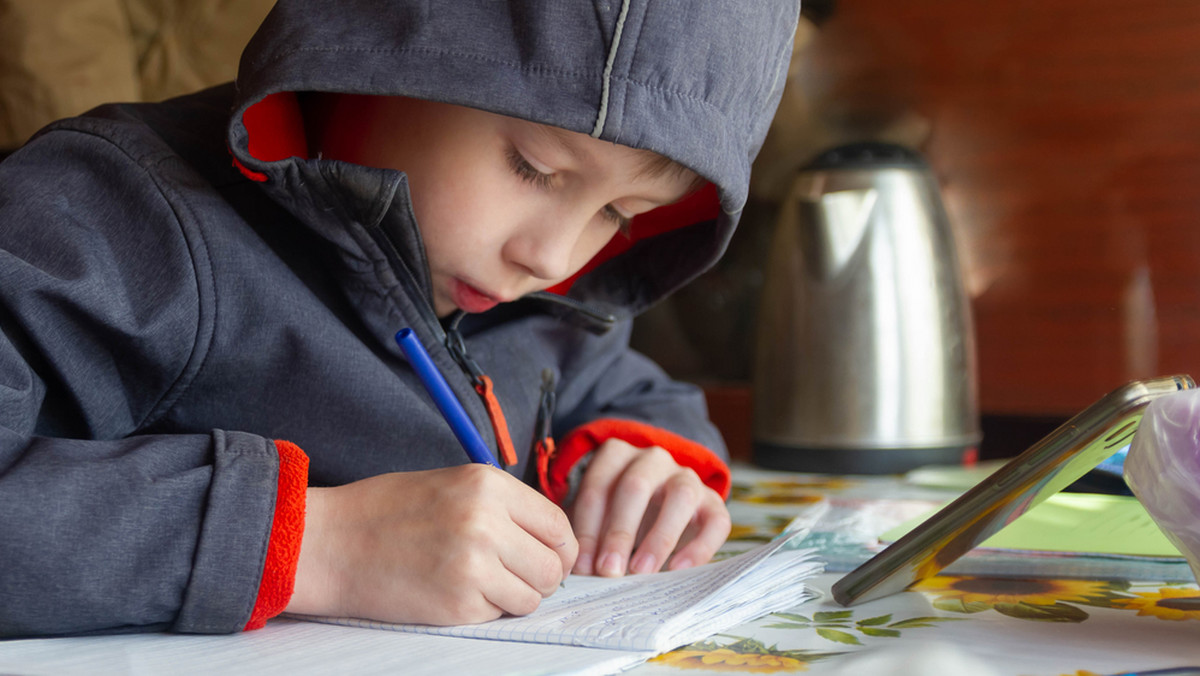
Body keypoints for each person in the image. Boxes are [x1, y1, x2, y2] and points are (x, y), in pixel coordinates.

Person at [0, 0, 802, 636]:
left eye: (621, 216)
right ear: (377, 47)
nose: (554, 258)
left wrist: (633, 466)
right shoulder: (121, 215)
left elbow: (615, 382)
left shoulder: (528, 294)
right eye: (535, 167)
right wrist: (320, 544)